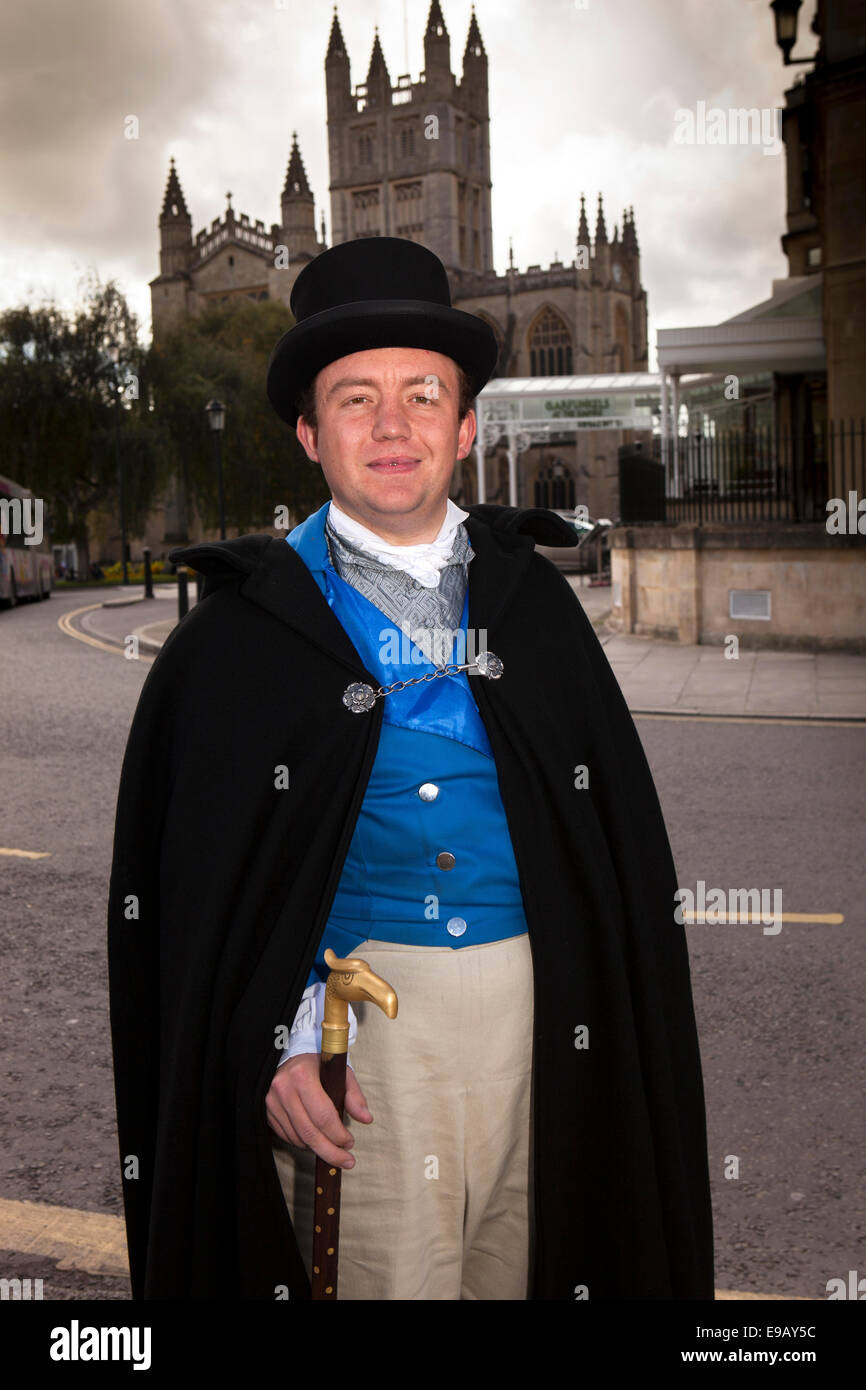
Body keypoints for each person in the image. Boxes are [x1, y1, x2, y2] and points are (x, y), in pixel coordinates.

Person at [107, 236, 714, 1301]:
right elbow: (200, 905)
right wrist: (277, 1034)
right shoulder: (235, 638)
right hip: (366, 1052)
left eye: (422, 394)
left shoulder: (539, 608)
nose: (392, 426)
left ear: (465, 425)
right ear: (307, 431)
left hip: (549, 1036)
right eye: (354, 399)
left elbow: (609, 867)